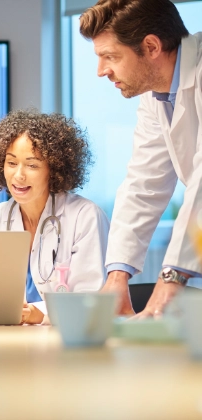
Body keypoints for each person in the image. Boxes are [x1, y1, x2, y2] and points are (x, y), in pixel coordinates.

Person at [80, 0, 202, 317]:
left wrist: (172, 277)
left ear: (150, 46)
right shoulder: (157, 96)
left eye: (111, 56)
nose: (101, 71)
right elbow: (143, 185)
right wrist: (117, 275)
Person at [0, 110, 110, 324]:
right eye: (11, 163)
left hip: (68, 340)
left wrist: (41, 316)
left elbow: (90, 299)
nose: (19, 175)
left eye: (32, 165)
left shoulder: (85, 217)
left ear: (54, 168)